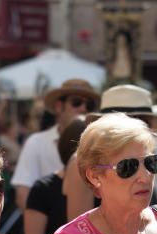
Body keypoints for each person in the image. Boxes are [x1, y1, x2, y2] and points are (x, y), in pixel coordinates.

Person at [64, 85, 153, 222]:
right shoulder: (86, 162)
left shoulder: (146, 159)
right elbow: (80, 230)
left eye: (146, 121)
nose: (142, 128)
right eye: (137, 120)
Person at [12, 79, 99, 213]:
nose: (83, 109)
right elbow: (23, 196)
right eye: (76, 102)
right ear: (59, 106)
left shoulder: (99, 145)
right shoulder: (36, 142)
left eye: (89, 105)